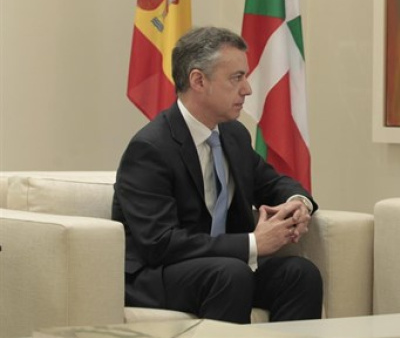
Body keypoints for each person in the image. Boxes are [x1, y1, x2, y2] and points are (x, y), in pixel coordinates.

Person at [112, 26, 322, 324]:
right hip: (160, 272)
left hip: (223, 268)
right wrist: (253, 243)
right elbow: (160, 243)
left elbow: (273, 183)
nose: (247, 89)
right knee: (230, 274)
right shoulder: (150, 148)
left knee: (300, 274)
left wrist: (297, 203)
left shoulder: (233, 135)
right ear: (198, 80)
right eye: (237, 78)